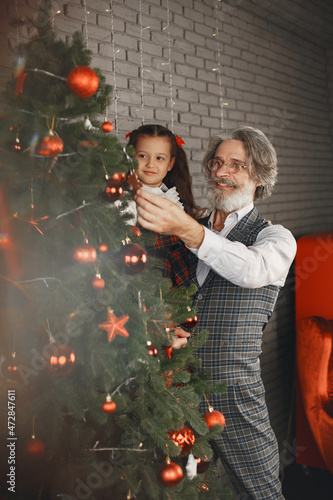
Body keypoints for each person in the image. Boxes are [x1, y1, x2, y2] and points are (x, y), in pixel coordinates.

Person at [134, 125, 297, 499]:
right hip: (178, 391)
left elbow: (251, 269)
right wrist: (162, 328)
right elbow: (162, 292)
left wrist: (189, 230)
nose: (221, 172)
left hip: (235, 396)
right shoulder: (189, 226)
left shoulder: (274, 237)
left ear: (259, 177)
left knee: (261, 492)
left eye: (236, 165)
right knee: (184, 488)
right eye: (217, 162)